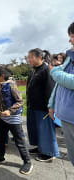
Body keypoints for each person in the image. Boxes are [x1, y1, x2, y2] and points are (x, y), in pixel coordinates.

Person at [0, 67, 33, 175]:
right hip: (3, 118)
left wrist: (10, 111)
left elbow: (20, 101)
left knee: (19, 142)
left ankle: (27, 162)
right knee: (0, 139)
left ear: (1, 76)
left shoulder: (11, 85)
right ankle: (1, 157)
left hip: (14, 118)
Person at [26, 48, 59, 162]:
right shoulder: (34, 70)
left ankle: (49, 153)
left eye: (30, 57)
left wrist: (50, 107)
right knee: (36, 129)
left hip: (43, 107)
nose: (28, 59)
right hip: (33, 106)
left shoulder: (46, 69)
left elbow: (50, 90)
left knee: (45, 130)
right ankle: (40, 147)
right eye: (28, 57)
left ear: (39, 57)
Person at [48, 22, 74, 166]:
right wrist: (52, 105)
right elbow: (59, 85)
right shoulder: (70, 57)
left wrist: (55, 71)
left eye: (72, 36)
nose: (69, 40)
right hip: (66, 117)